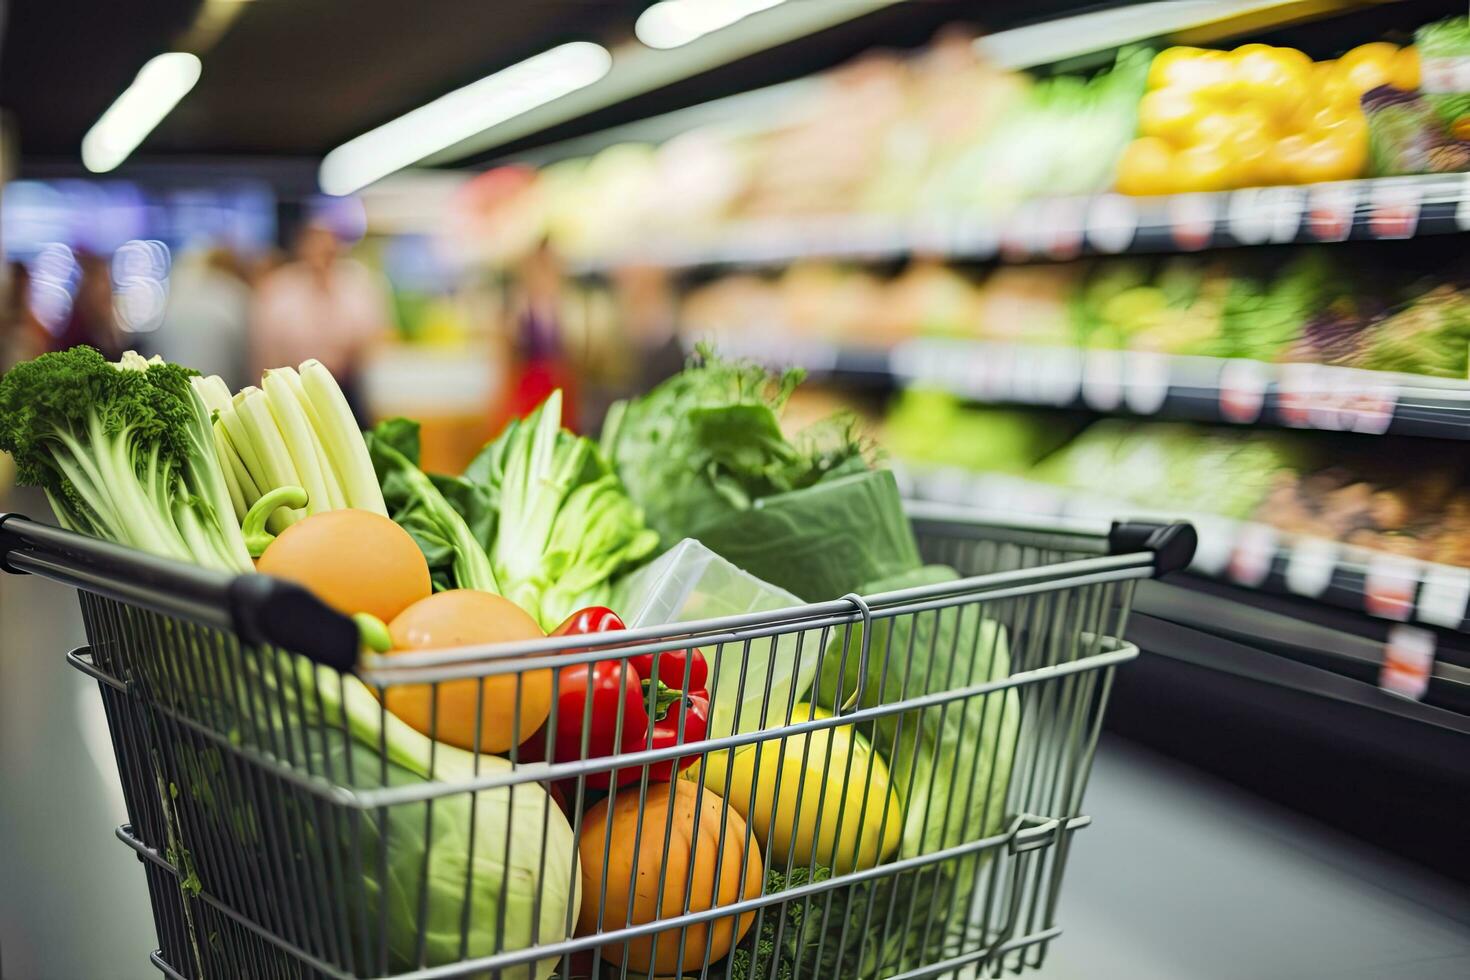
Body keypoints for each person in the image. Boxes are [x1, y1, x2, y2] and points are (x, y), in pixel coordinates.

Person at [251, 221, 391, 420]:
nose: (321, 255)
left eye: (327, 249)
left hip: (347, 387)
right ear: (302, 249)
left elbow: (377, 335)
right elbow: (266, 349)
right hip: (294, 388)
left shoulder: (356, 284)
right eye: (315, 247)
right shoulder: (280, 289)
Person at [150, 246, 252, 390]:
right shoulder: (237, 295)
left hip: (171, 389)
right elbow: (246, 356)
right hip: (222, 391)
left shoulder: (174, 297)